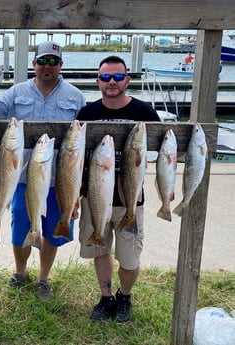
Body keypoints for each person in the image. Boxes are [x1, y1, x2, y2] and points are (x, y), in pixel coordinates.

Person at [0, 41, 86, 301]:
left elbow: (84, 144)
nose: (47, 66)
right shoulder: (15, 92)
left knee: (53, 230)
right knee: (21, 228)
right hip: (20, 177)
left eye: (53, 62)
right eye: (43, 61)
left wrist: (78, 192)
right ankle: (20, 272)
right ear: (34, 64)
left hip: (60, 181)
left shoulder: (75, 97)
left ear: (61, 65)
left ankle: (43, 277)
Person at [76, 55, 161, 323]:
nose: (111, 82)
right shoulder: (87, 113)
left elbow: (167, 145)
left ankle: (125, 296)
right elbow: (75, 160)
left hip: (130, 202)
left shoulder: (144, 112)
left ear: (127, 79)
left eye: (116, 76)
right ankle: (106, 297)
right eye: (105, 77)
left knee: (129, 259)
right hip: (95, 198)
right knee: (99, 250)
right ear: (97, 81)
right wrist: (76, 197)